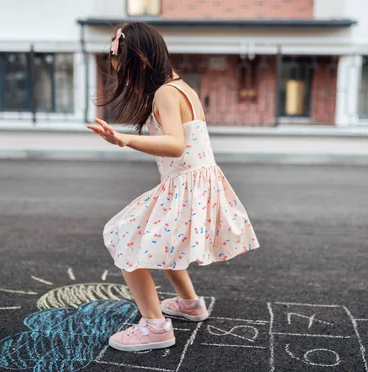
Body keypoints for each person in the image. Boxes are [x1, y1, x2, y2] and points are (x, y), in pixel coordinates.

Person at [87, 21, 259, 352]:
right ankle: (190, 304)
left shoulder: (165, 92)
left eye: (117, 58)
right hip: (196, 184)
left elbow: (175, 145)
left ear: (139, 58)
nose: (114, 66)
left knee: (123, 237)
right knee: (165, 242)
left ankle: (155, 329)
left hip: (187, 185)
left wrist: (123, 139)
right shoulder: (179, 86)